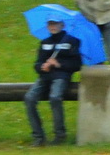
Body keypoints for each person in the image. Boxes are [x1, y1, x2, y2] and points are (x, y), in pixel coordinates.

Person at [23, 16, 81, 146]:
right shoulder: (45, 42)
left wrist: (58, 64)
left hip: (62, 77)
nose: (52, 26)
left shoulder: (72, 41)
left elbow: (76, 64)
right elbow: (37, 64)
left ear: (62, 25)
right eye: (50, 24)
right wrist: (42, 67)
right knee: (29, 98)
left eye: (55, 24)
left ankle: (60, 134)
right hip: (45, 77)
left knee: (55, 97)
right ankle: (38, 136)